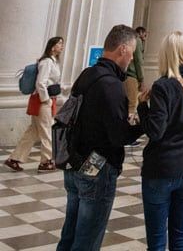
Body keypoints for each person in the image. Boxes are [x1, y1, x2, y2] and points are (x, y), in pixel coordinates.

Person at [55, 24, 143, 251]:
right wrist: (142, 125)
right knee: (87, 238)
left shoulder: (87, 74)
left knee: (71, 232)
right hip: (97, 165)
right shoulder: (112, 85)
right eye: (131, 53)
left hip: (75, 162)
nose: (131, 59)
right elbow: (118, 135)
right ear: (122, 49)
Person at [138, 31, 183, 251]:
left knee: (157, 243)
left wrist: (142, 107)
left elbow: (155, 132)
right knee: (180, 239)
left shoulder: (162, 86)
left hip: (162, 168)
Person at [5, 36, 64, 173]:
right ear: (52, 46)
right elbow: (40, 83)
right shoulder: (47, 62)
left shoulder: (53, 62)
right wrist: (46, 100)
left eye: (62, 43)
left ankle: (14, 159)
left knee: (33, 131)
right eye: (59, 43)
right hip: (42, 101)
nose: (61, 46)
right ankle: (46, 161)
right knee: (46, 130)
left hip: (47, 99)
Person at [125, 24, 146, 121]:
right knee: (132, 106)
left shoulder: (127, 39)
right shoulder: (137, 41)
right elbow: (139, 61)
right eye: (144, 35)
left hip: (123, 75)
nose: (145, 39)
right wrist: (142, 79)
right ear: (140, 33)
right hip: (132, 76)